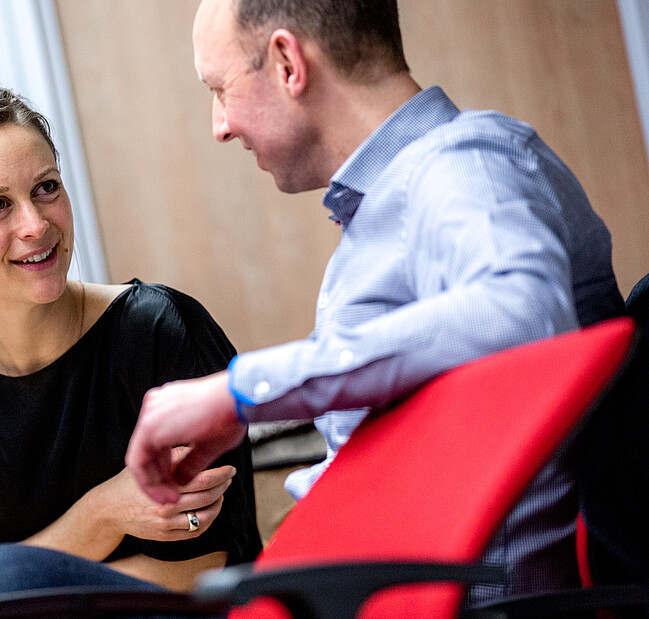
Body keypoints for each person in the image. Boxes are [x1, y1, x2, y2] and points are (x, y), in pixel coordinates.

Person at [126, 0, 624, 603]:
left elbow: (520, 311)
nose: (220, 125)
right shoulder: (388, 208)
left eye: (220, 88)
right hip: (358, 590)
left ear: (287, 62)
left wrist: (239, 393)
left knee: (11, 584)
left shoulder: (465, 161)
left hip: (442, 602)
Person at [0, 80, 262, 608]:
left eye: (46, 188)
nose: (36, 224)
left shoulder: (158, 330)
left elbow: (208, 563)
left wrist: (11, 577)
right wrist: (103, 512)